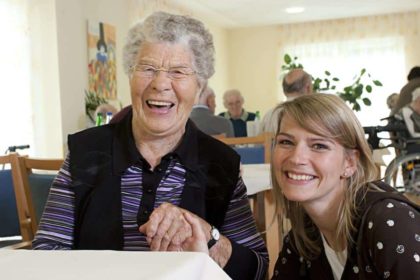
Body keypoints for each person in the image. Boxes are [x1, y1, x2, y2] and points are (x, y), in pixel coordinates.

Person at [32, 12, 268, 279]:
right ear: (130, 76)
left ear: (199, 85)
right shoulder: (86, 151)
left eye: (178, 72)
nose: (160, 84)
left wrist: (208, 236)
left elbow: (257, 269)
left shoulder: (221, 163)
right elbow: (47, 251)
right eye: (147, 68)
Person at [269, 94, 420, 279]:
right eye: (286, 142)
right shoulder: (303, 236)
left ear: (349, 163)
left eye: (318, 145)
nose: (296, 158)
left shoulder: (390, 222)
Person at [261, 68, 312, 134]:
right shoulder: (312, 113)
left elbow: (259, 141)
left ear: (284, 91)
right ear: (308, 88)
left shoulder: (269, 115)